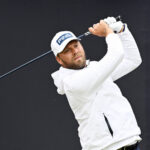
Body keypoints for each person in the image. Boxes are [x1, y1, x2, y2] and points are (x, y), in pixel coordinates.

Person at [51, 17, 142, 150]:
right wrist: (108, 32)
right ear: (59, 59)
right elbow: (116, 53)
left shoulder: (95, 68)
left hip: (132, 144)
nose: (75, 51)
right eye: (67, 51)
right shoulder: (71, 84)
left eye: (76, 45)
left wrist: (121, 30)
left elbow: (132, 60)